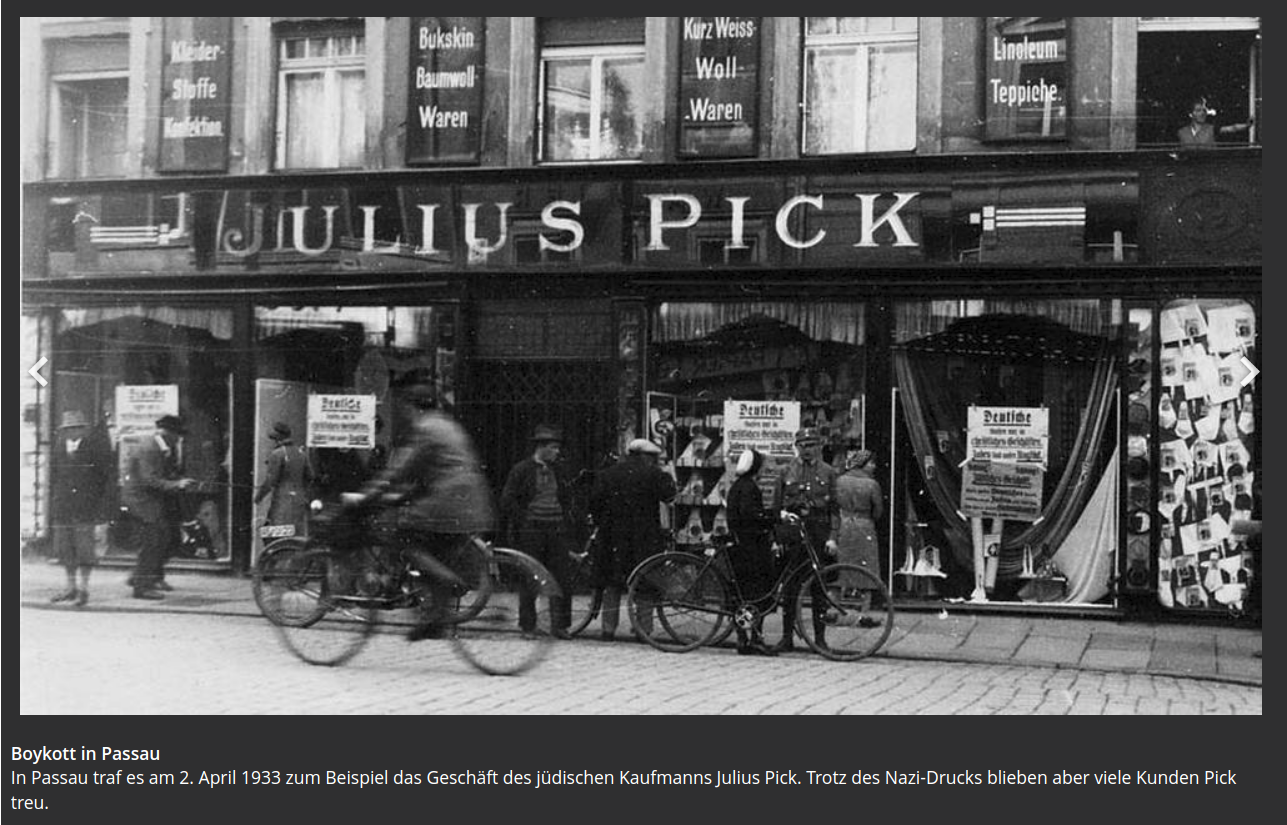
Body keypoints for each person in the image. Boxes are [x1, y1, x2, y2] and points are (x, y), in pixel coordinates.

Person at [343, 382, 496, 641]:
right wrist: (398, 497)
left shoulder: (426, 428)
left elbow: (399, 472)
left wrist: (365, 497)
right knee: (434, 554)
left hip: (447, 501)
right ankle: (435, 620)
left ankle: (446, 585)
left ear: (412, 407)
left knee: (404, 542)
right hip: (471, 502)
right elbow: (428, 474)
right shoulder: (449, 425)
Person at [588, 438, 676, 641]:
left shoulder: (608, 473)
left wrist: (603, 524)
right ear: (647, 457)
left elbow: (595, 502)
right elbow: (669, 496)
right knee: (645, 582)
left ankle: (608, 629)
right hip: (644, 538)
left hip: (612, 537)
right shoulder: (654, 474)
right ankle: (643, 630)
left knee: (611, 583)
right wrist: (667, 475)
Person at [499, 424, 576, 638]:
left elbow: (567, 497)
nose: (557, 452)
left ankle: (560, 625)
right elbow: (507, 499)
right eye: (553, 447)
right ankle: (528, 625)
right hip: (532, 530)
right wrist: (524, 520)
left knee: (561, 578)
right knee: (530, 578)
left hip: (556, 527)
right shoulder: (522, 470)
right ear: (541, 447)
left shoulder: (559, 470)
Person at [771, 427, 838, 652]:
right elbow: (776, 507)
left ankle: (820, 640)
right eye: (802, 445)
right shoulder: (786, 471)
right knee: (790, 587)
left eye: (811, 445)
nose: (807, 449)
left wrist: (833, 538)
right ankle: (786, 638)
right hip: (793, 535)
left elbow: (835, 510)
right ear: (796, 447)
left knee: (819, 588)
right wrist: (777, 538)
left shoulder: (828, 472)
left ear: (819, 446)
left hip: (818, 534)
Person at [121, 414, 197, 599]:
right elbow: (149, 479)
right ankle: (142, 587)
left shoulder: (160, 447)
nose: (179, 439)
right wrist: (177, 484)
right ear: (167, 433)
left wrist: (176, 481)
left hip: (149, 502)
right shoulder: (150, 448)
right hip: (142, 503)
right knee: (152, 542)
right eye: (177, 435)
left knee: (163, 539)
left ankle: (141, 577)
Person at [48, 410, 114, 606]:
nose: (72, 432)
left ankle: (84, 588)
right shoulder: (59, 447)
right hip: (63, 507)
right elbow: (54, 477)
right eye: (68, 429)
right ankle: (70, 587)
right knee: (65, 550)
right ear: (63, 431)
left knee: (85, 551)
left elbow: (105, 479)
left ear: (84, 429)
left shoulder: (94, 448)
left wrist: (102, 509)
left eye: (76, 428)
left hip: (86, 507)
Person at [724, 448, 781, 656]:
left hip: (740, 545)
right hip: (751, 548)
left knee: (742, 595)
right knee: (758, 594)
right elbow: (750, 515)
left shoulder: (739, 485)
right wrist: (774, 517)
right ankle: (756, 638)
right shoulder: (749, 488)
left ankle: (743, 638)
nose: (765, 470)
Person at [833, 448, 885, 627]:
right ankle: (864, 613)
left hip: (843, 524)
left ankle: (834, 610)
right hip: (864, 526)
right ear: (863, 464)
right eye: (871, 463)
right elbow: (878, 511)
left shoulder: (840, 481)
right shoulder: (872, 484)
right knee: (867, 569)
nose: (874, 466)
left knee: (840, 568)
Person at [253, 421, 315, 538]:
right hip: (299, 501)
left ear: (278, 438)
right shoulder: (301, 453)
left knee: (277, 535)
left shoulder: (277, 454)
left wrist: (258, 497)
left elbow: (271, 480)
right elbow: (311, 476)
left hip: (282, 502)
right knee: (296, 535)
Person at [1178, 96, 1251, 148]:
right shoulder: (1181, 132)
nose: (1202, 113)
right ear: (1190, 114)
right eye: (1198, 110)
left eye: (1204, 110)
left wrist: (1247, 125)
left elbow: (1232, 128)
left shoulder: (1212, 129)